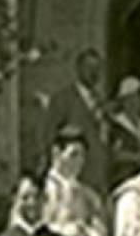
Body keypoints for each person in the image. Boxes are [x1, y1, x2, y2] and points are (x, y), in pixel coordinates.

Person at [39, 48, 109, 193]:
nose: (93, 73)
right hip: (72, 179)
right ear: (79, 69)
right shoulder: (62, 100)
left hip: (97, 178)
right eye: (89, 67)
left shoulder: (100, 102)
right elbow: (49, 137)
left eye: (97, 68)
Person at [108, 75, 140, 187]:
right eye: (129, 99)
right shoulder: (114, 126)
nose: (134, 103)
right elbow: (111, 154)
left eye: (137, 98)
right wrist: (136, 157)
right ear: (122, 101)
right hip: (121, 180)